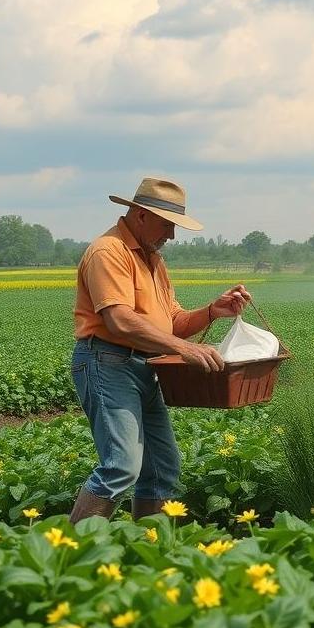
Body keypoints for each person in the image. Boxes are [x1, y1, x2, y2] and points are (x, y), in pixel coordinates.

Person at [68, 176, 251, 523]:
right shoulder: (109, 252)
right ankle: (70, 552)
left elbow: (171, 322)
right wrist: (184, 349)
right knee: (121, 466)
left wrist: (213, 311)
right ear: (139, 215)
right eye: (167, 225)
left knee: (162, 469)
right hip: (108, 362)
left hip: (144, 365)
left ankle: (147, 550)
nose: (171, 235)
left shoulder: (153, 260)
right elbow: (120, 321)